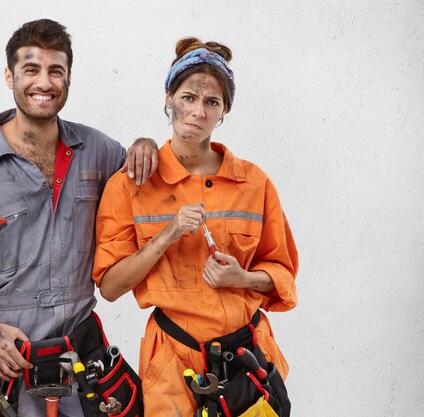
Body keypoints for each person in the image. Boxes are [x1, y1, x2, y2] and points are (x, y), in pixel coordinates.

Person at [0, 19, 156, 416]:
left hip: (83, 362)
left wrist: (144, 143)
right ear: (9, 76)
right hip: (6, 363)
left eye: (55, 71)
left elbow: (147, 184)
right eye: (31, 69)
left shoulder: (97, 151)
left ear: (68, 79)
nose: (43, 82)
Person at [92, 37, 299, 416]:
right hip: (173, 364)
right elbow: (109, 287)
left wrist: (244, 278)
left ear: (224, 113)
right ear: (169, 98)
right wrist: (168, 234)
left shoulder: (254, 183)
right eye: (188, 97)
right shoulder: (131, 183)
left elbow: (283, 274)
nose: (198, 111)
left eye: (212, 102)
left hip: (250, 362)